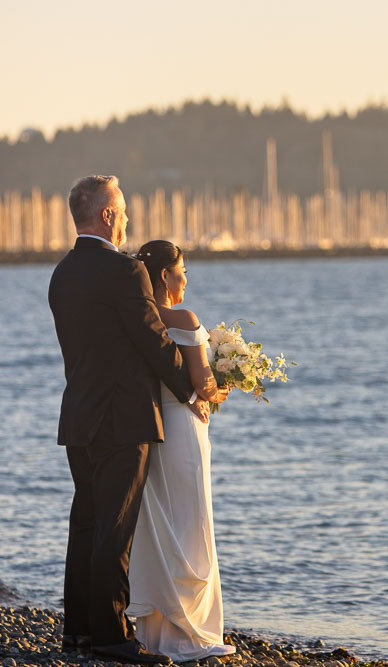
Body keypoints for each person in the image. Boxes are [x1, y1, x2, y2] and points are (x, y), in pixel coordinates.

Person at [48, 175, 220, 664]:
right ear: (106, 216)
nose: (126, 222)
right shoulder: (124, 273)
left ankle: (78, 632)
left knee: (85, 525)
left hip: (79, 416)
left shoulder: (62, 274)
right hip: (123, 420)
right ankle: (111, 636)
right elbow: (153, 343)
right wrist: (192, 393)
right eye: (122, 213)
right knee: (114, 530)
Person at [126, 240, 236, 660]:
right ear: (166, 276)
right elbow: (202, 384)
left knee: (160, 527)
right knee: (192, 523)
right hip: (185, 431)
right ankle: (193, 634)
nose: (186, 279)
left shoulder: (137, 320)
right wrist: (226, 384)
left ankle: (155, 634)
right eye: (183, 271)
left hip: (151, 430)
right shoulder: (184, 318)